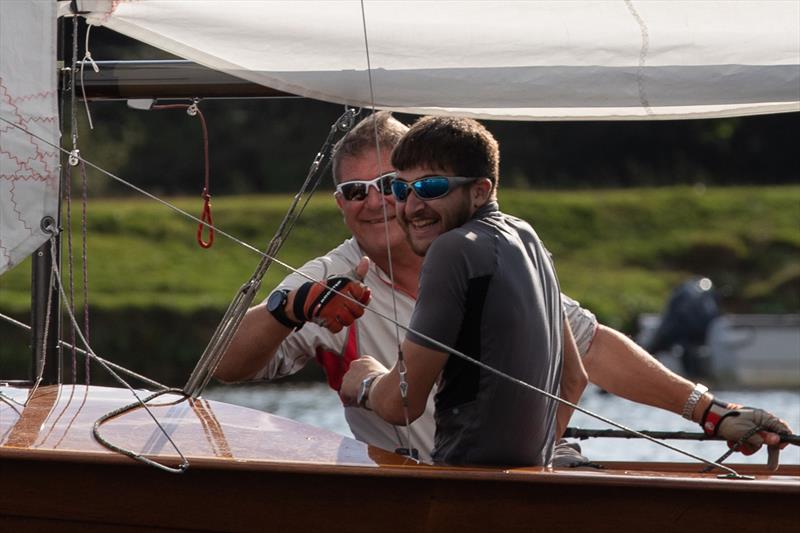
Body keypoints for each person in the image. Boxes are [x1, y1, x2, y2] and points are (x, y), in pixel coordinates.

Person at [216, 112, 791, 467]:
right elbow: (226, 366)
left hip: (495, 483)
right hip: (415, 486)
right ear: (339, 203)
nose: (377, 200)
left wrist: (710, 411)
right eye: (354, 190)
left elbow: (589, 350)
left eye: (395, 184)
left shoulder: (478, 257)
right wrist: (288, 310)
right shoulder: (332, 275)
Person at [338, 116, 569, 465]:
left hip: (466, 489)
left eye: (431, 188)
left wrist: (366, 383)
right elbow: (574, 378)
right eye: (401, 190)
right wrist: (538, 460)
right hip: (530, 482)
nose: (412, 207)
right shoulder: (528, 237)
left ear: (480, 190)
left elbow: (402, 402)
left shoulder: (452, 248)